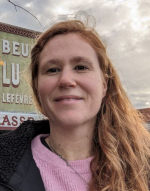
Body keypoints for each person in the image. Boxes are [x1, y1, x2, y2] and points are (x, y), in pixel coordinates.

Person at [0, 13, 150, 191]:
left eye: (81, 67)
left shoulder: (143, 166)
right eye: (52, 69)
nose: (66, 80)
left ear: (104, 84)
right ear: (37, 87)